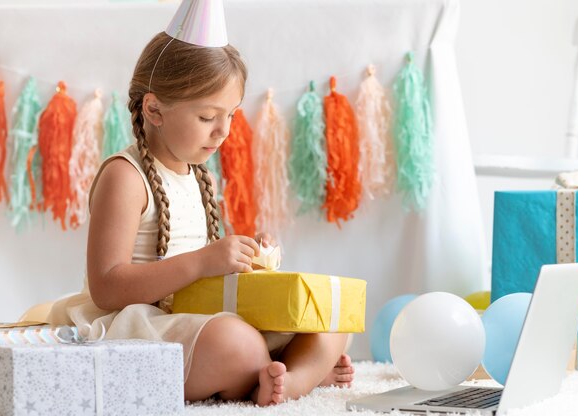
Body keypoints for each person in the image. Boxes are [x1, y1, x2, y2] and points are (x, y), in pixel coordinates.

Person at [48, 31, 354, 406]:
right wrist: (202, 262)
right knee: (236, 344)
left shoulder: (199, 175)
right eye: (208, 116)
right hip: (138, 324)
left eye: (231, 115)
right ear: (154, 109)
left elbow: (205, 272)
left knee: (331, 316)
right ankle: (292, 371)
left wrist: (246, 257)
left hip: (193, 316)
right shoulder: (125, 177)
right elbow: (107, 287)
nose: (223, 131)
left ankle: (291, 380)